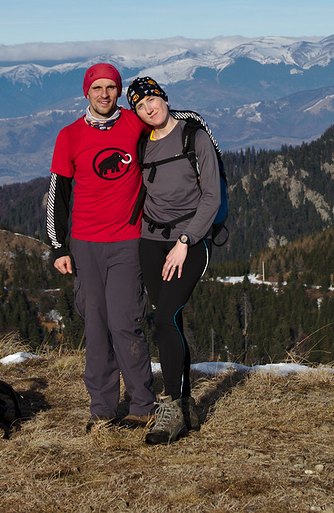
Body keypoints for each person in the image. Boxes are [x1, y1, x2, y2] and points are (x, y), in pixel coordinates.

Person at [46, 63, 156, 432]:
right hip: (85, 245)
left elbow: (172, 119)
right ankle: (102, 409)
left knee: (126, 323)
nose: (105, 94)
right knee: (95, 326)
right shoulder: (70, 135)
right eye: (98, 88)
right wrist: (58, 246)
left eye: (111, 87)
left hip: (128, 241)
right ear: (86, 92)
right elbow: (58, 195)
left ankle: (142, 404)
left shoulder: (135, 124)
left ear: (119, 91)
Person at [125, 76, 222, 445]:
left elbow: (211, 197)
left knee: (164, 317)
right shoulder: (140, 143)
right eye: (140, 105)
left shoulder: (193, 137)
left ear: (164, 98)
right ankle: (186, 407)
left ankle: (170, 407)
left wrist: (186, 240)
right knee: (171, 320)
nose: (148, 107)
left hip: (189, 241)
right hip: (150, 241)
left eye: (152, 98)